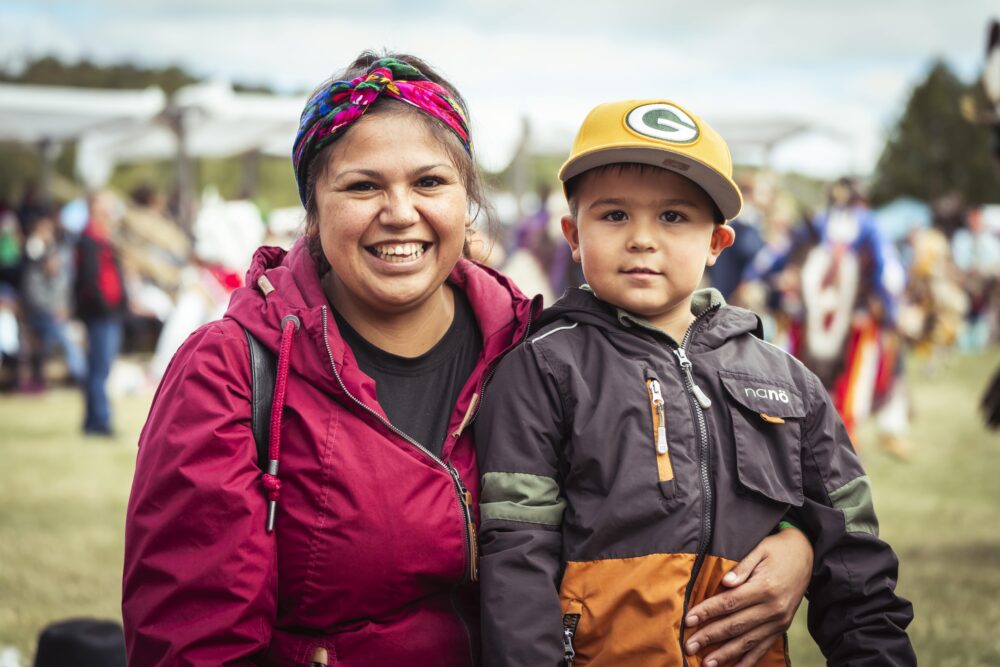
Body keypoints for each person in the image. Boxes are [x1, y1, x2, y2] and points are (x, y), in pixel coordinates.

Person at [123, 56, 813, 666]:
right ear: (312, 208)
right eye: (362, 186)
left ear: (466, 200)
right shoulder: (230, 370)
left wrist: (795, 543)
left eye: (429, 181)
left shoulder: (535, 349)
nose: (400, 212)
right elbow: (194, 642)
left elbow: (663, 489)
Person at [476, 99, 916, 666]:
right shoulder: (541, 368)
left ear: (717, 243)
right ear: (572, 234)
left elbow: (856, 565)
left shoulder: (788, 382)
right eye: (613, 215)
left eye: (673, 217)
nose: (642, 239)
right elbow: (516, 555)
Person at [75, 191, 127, 436]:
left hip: (108, 311)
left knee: (98, 367)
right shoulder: (89, 239)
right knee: (100, 368)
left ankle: (91, 421)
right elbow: (89, 279)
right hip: (100, 313)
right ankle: (101, 421)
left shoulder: (103, 237)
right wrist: (104, 305)